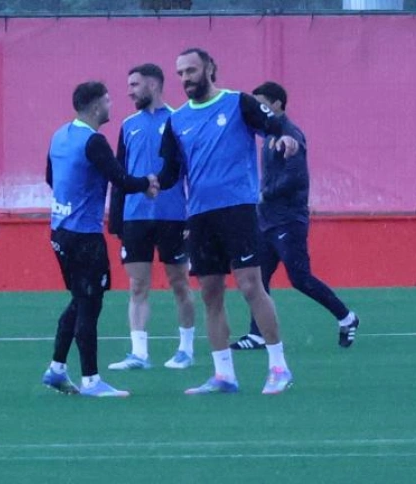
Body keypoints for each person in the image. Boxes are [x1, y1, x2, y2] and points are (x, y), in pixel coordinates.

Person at [156, 48, 299, 395]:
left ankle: (279, 367)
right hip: (200, 215)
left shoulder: (238, 103)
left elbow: (276, 123)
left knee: (251, 285)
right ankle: (224, 375)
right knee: (210, 293)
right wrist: (146, 183)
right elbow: (171, 173)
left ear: (209, 68)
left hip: (238, 209)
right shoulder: (176, 121)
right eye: (180, 73)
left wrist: (284, 136)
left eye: (191, 70)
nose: (186, 78)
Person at [41, 81, 159, 398]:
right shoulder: (95, 141)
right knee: (90, 304)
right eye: (107, 100)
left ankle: (56, 369)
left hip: (60, 231)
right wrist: (146, 183)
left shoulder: (60, 135)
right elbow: (119, 178)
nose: (111, 105)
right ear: (95, 107)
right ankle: (92, 380)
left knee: (80, 299)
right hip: (84, 235)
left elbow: (51, 178)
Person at [229, 81, 359, 351]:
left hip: (288, 219)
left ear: (277, 104)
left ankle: (346, 317)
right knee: (258, 278)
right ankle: (258, 334)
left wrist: (264, 193)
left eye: (262, 103)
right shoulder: (267, 135)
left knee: (300, 278)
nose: (258, 109)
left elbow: (296, 177)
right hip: (267, 219)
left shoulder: (291, 134)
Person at [106, 63, 197, 371]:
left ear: (153, 85)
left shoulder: (179, 121)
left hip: (173, 217)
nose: (129, 91)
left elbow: (191, 171)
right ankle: (139, 354)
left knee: (179, 283)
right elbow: (118, 175)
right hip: (135, 219)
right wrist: (116, 220)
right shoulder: (128, 125)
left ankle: (186, 349)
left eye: (135, 85)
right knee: (137, 285)